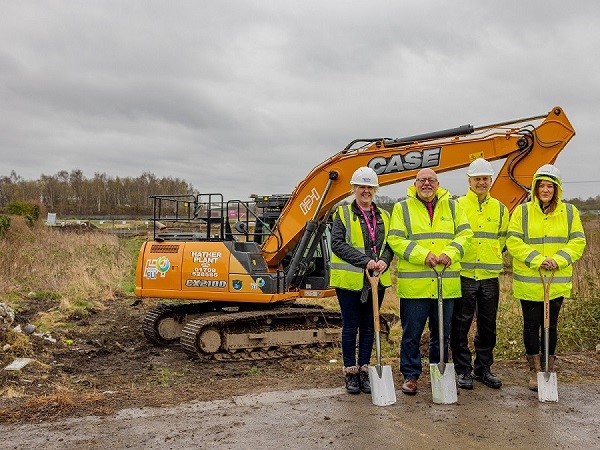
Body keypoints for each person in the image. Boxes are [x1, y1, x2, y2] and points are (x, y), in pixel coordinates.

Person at [387, 168, 472, 395]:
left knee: (442, 334)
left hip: (446, 284)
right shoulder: (401, 208)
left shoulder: (454, 206)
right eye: (422, 180)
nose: (426, 184)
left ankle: (438, 372)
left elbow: (465, 235)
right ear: (415, 183)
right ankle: (411, 375)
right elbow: (395, 239)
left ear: (438, 183)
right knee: (411, 334)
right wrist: (422, 255)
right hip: (415, 287)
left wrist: (451, 253)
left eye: (430, 180)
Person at [506, 164, 586, 391]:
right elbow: (514, 241)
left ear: (557, 189)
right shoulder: (522, 211)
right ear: (535, 188)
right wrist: (538, 259)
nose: (545, 190)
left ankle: (549, 367)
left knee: (551, 325)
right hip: (530, 281)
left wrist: (558, 260)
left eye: (550, 186)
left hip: (556, 280)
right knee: (531, 325)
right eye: (541, 185)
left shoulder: (570, 212)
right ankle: (535, 371)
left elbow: (578, 241)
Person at [330, 166, 394, 394]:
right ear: (354, 189)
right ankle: (350, 372)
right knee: (350, 326)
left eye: (369, 187)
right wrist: (365, 261)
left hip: (376, 279)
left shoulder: (384, 216)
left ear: (375, 189)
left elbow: (390, 245)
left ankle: (365, 370)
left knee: (369, 326)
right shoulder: (343, 214)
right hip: (350, 281)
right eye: (361, 187)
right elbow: (337, 244)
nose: (365, 191)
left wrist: (384, 260)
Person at [450, 158, 509, 390]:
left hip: (488, 276)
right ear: (469, 181)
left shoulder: (500, 208)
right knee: (461, 324)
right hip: (464, 273)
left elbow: (502, 238)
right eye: (477, 179)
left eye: (485, 178)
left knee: (487, 325)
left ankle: (483, 368)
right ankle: (463, 370)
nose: (481, 182)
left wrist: (491, 254)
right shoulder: (458, 206)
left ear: (490, 180)